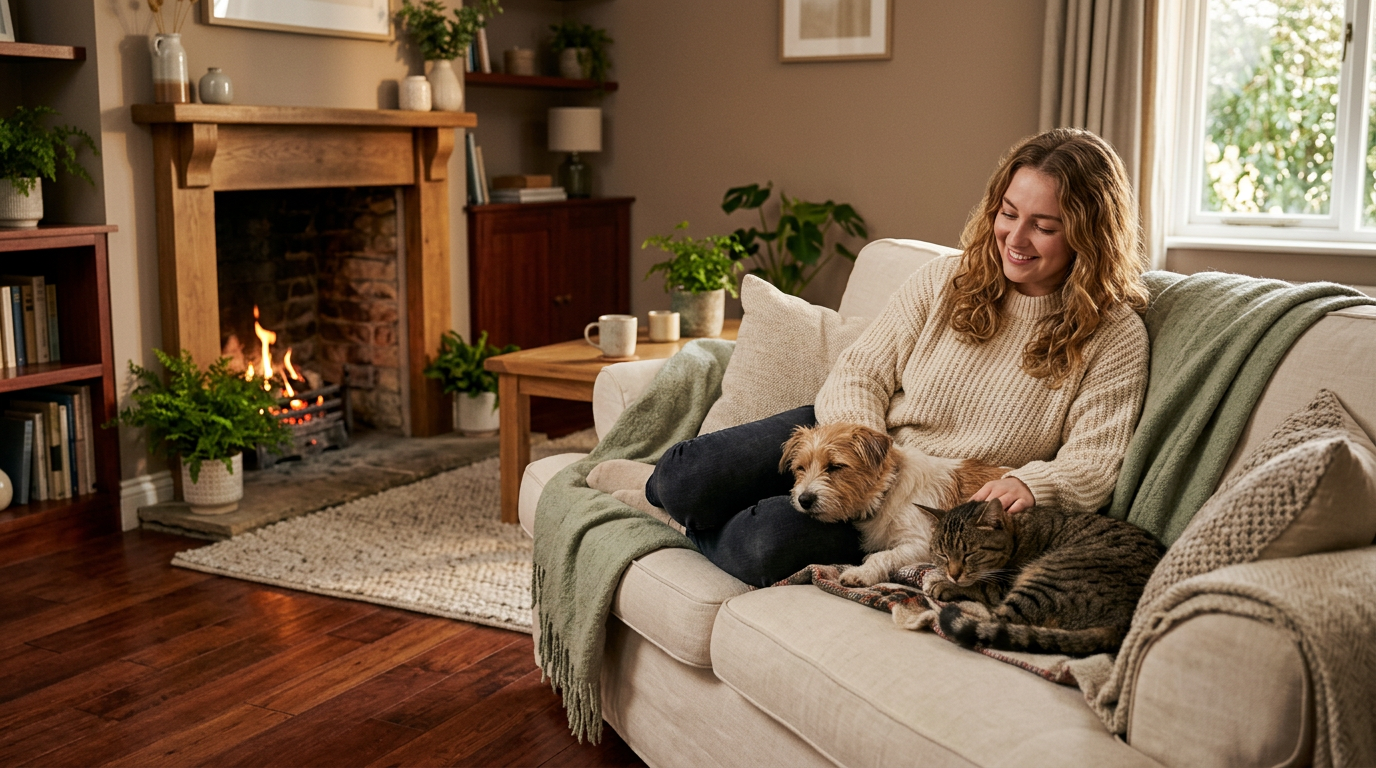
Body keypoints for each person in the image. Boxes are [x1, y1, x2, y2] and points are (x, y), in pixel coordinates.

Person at [644, 128, 1152, 587]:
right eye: (1008, 213)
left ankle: (696, 526)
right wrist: (864, 454)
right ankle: (686, 505)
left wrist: (1029, 484)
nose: (1015, 239)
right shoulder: (946, 279)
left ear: (1089, 235)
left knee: (763, 544)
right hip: (855, 442)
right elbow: (860, 371)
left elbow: (1094, 461)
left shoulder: (1114, 336)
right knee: (681, 477)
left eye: (1044, 226)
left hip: (927, 506)